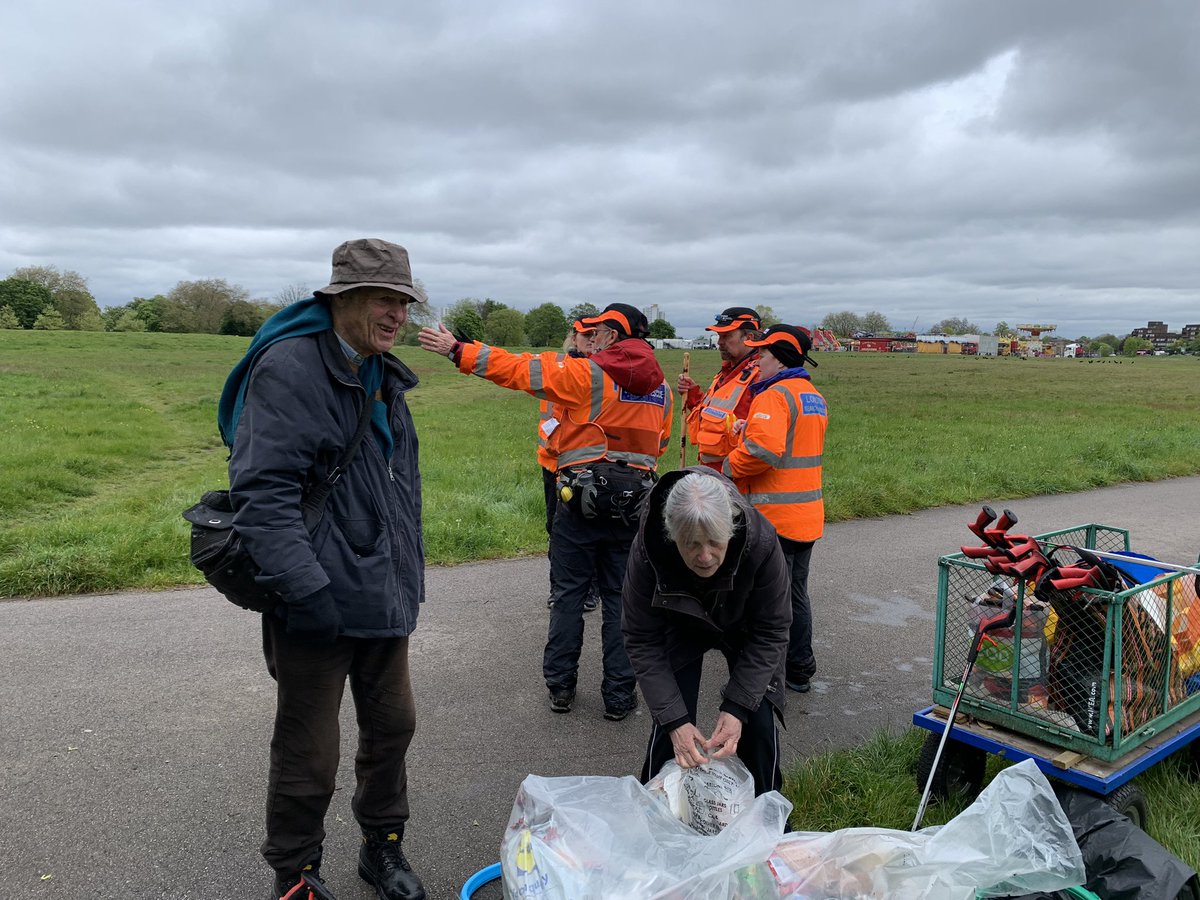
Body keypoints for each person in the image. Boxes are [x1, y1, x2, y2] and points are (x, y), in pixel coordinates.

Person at [220, 239, 427, 900]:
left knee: (392, 725)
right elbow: (265, 492)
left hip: (379, 589)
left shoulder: (378, 369)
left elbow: (394, 488)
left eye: (403, 300)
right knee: (310, 750)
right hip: (315, 594)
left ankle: (382, 849)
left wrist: (404, 578)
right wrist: (306, 591)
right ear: (342, 299)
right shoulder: (292, 367)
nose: (396, 314)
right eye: (383, 300)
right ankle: (295, 874)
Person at [419, 302, 671, 720]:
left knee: (569, 596)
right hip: (633, 508)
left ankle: (561, 688)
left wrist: (457, 350)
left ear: (611, 334)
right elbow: (659, 444)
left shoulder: (589, 373)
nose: (593, 339)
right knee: (622, 602)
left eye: (599, 332)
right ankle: (620, 697)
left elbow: (519, 369)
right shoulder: (661, 389)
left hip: (580, 504)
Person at [622, 467, 791, 796]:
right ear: (672, 536)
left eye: (715, 542)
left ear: (731, 528)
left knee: (757, 723)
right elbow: (641, 638)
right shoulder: (648, 552)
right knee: (671, 729)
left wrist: (738, 707)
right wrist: (674, 721)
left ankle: (770, 819)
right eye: (691, 545)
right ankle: (657, 817)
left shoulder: (762, 541)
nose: (704, 556)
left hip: (743, 623)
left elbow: (772, 630)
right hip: (679, 622)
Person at [722, 324, 827, 695]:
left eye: (763, 354)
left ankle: (766, 680)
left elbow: (764, 451)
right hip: (807, 515)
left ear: (780, 358)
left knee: (765, 604)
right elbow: (786, 442)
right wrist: (744, 430)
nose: (758, 360)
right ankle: (800, 668)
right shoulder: (811, 395)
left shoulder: (774, 395)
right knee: (796, 594)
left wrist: (728, 467)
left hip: (774, 519)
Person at [539, 319, 598, 614]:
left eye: (594, 334)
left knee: (591, 529)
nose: (590, 339)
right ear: (573, 337)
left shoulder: (602, 371)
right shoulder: (558, 366)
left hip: (586, 466)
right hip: (553, 463)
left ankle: (591, 589)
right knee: (557, 529)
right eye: (585, 334)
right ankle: (559, 587)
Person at [677, 307, 761, 470]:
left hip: (736, 478)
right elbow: (713, 416)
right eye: (719, 336)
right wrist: (692, 394)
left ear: (749, 338)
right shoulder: (726, 373)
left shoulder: (760, 377)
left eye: (727, 336)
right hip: (714, 474)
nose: (719, 342)